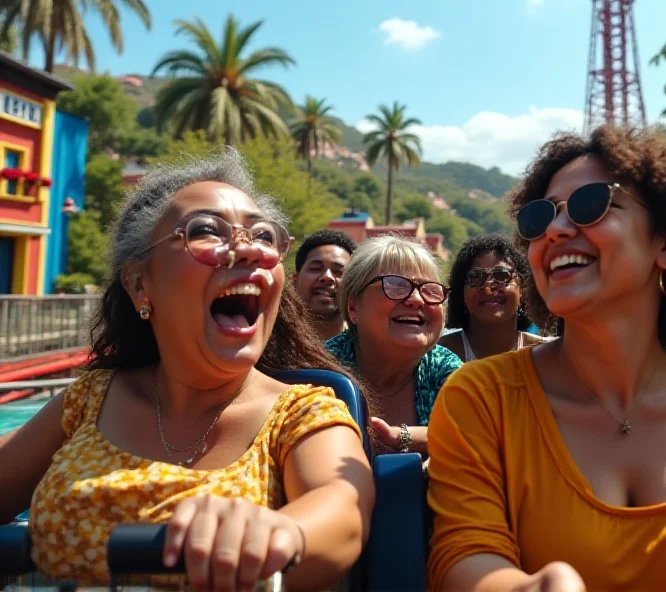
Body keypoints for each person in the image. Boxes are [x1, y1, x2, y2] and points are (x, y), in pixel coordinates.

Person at [426, 126, 666, 591]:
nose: (557, 230)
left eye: (591, 205)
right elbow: (464, 558)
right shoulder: (481, 399)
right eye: (539, 218)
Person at [0, 148, 375, 591]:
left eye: (263, 236)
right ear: (140, 282)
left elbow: (342, 508)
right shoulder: (90, 398)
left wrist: (279, 533)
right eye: (205, 230)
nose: (248, 249)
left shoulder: (303, 412)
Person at [326, 235, 462, 455]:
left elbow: (474, 435)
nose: (416, 299)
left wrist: (401, 437)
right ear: (353, 308)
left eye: (430, 290)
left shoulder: (448, 371)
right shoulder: (319, 369)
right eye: (395, 285)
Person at [439, 234, 546, 362]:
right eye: (476, 277)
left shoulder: (550, 356)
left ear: (522, 288)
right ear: (461, 291)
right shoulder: (437, 359)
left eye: (501, 275)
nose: (488, 285)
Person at [294, 229, 358, 341]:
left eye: (339, 272)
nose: (327, 276)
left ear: (354, 287)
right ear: (295, 281)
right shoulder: (271, 342)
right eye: (315, 269)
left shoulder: (368, 348)